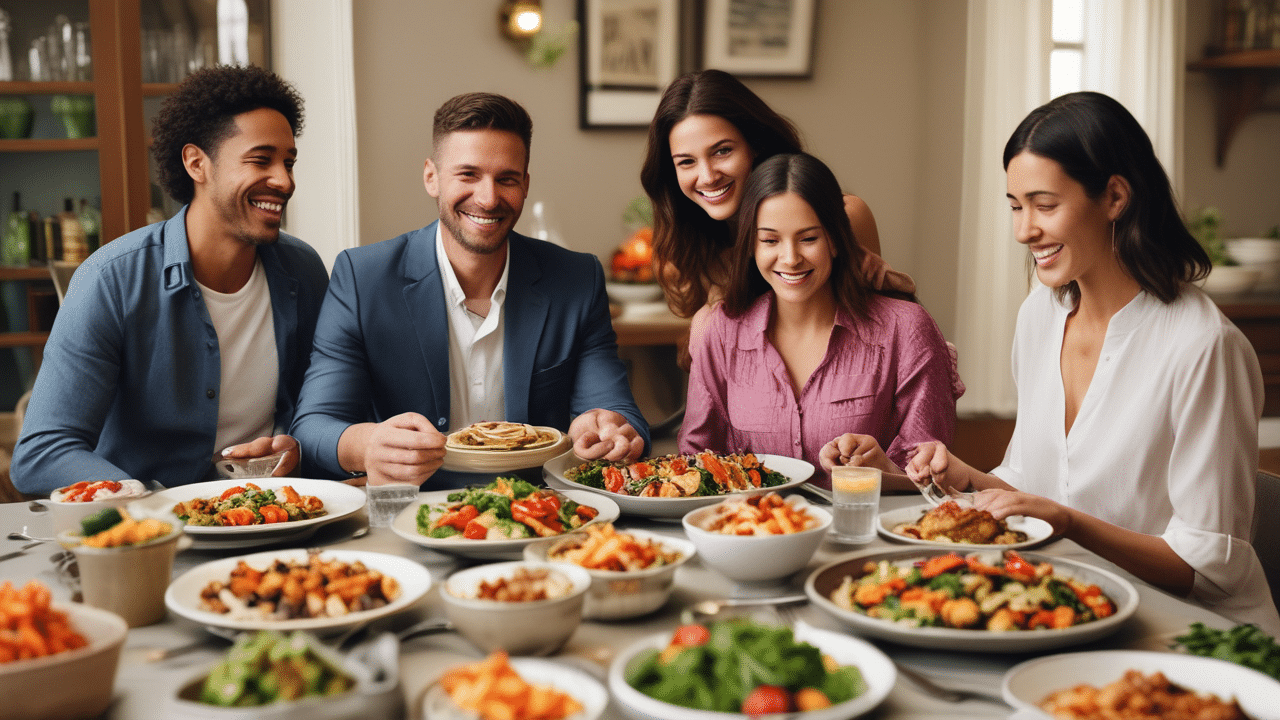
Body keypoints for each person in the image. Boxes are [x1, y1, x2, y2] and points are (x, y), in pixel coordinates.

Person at [906, 91, 1280, 633]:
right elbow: (1034, 484)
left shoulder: (1203, 347)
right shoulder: (1040, 313)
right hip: (1072, 604)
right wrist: (966, 478)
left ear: (1115, 197)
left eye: (1045, 204)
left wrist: (1068, 522)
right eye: (1015, 205)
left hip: (1191, 631)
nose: (1024, 230)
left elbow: (1209, 567)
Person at [290, 92, 649, 489]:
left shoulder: (577, 278)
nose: (488, 197)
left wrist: (607, 428)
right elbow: (313, 427)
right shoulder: (363, 277)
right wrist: (369, 445)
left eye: (506, 179)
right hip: (411, 509)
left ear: (526, 184)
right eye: (468, 175)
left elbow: (619, 412)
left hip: (539, 507)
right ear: (431, 177)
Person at [12, 65, 328, 493]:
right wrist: (149, 502)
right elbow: (42, 452)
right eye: (261, 160)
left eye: (289, 162)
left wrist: (299, 445)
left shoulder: (302, 271)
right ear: (197, 163)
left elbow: (318, 406)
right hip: (150, 535)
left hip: (272, 515)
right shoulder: (111, 280)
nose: (284, 180)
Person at [680, 153, 957, 489]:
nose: (791, 258)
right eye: (770, 240)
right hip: (753, 533)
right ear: (751, 246)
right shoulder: (722, 331)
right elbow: (694, 463)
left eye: (808, 238)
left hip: (875, 535)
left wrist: (882, 469)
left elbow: (934, 475)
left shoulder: (906, 328)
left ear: (836, 240)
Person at [640, 70, 915, 345]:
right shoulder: (687, 251)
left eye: (722, 151)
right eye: (686, 162)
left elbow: (879, 340)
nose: (708, 176)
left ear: (755, 145)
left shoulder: (846, 217)